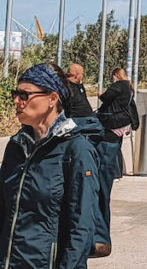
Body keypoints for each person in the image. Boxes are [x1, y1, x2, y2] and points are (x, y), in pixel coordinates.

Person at [0, 63, 100, 268]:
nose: (16, 101)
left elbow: (82, 228)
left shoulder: (76, 150)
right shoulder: (16, 146)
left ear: (52, 99)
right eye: (15, 94)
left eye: (25, 95)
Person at [94, 66, 137, 254]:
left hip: (110, 128)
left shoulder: (118, 85)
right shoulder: (128, 86)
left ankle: (100, 237)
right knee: (113, 155)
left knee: (102, 181)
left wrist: (99, 93)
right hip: (121, 127)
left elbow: (104, 98)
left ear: (115, 75)